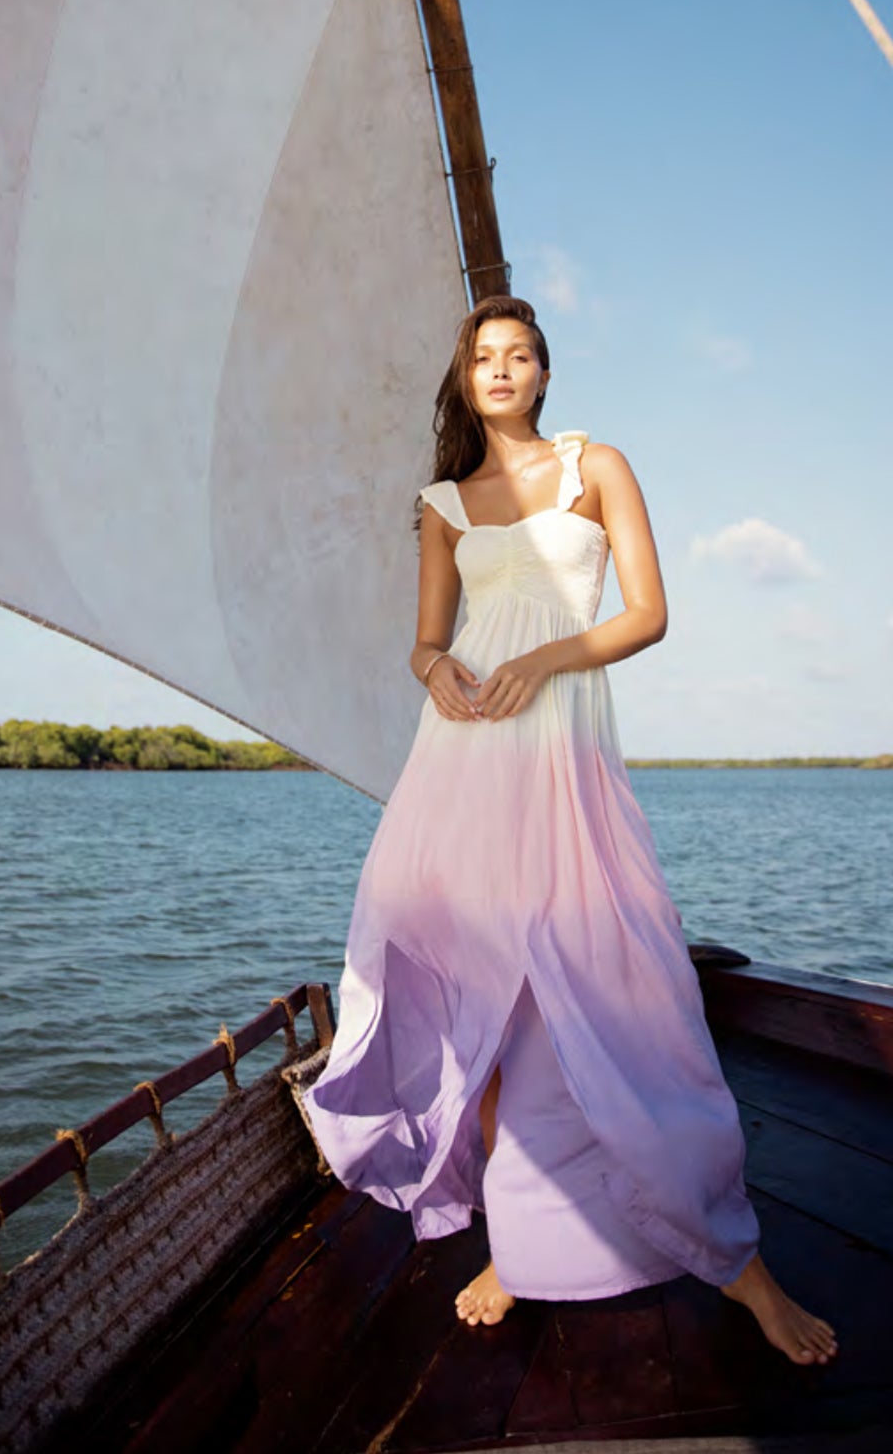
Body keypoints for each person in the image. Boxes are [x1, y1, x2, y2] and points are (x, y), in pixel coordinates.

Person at [303, 295, 837, 1367]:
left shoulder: (599, 467)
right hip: (459, 765)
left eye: (519, 354)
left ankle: (739, 1265)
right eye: (482, 357)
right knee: (489, 1006)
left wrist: (544, 661)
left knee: (634, 991)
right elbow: (423, 641)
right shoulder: (446, 504)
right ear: (464, 380)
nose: (500, 370)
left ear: (544, 373)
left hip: (567, 761)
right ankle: (523, 1245)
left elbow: (647, 613)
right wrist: (437, 668)